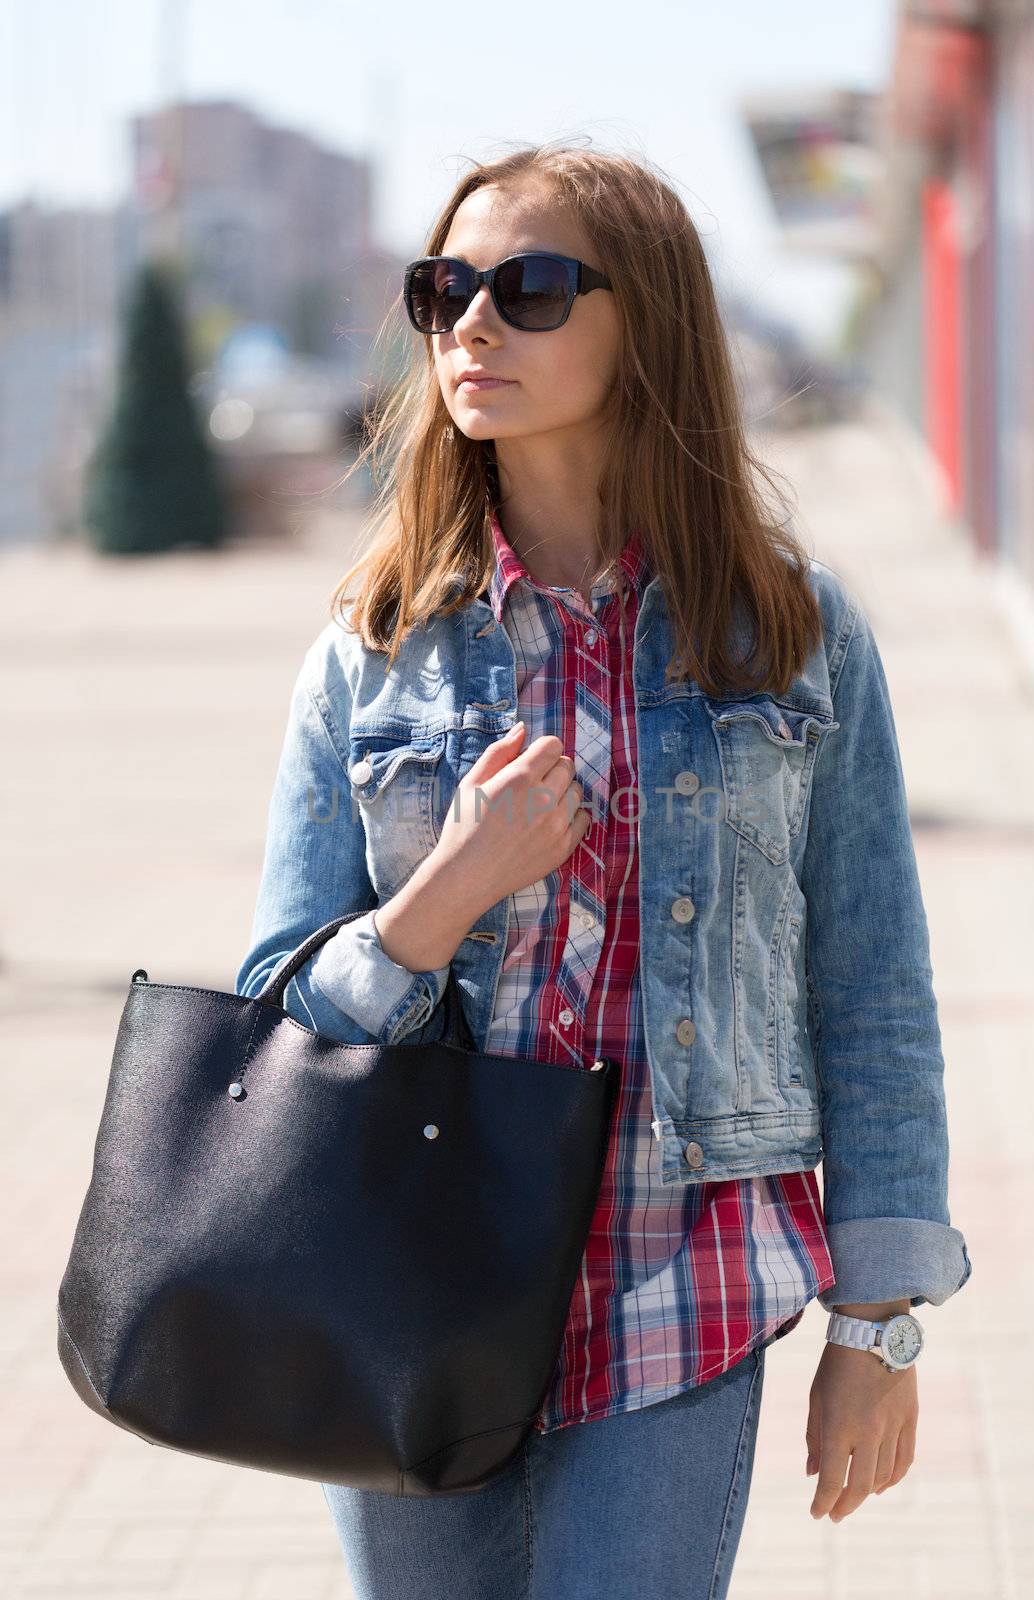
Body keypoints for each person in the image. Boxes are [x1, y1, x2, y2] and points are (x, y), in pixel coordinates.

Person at [235, 141, 972, 1599]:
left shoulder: (793, 640)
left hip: (675, 1286)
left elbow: (872, 987)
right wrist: (442, 897)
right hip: (405, 1290)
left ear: (651, 323)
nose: (471, 325)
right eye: (445, 289)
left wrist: (877, 1326)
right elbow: (275, 1015)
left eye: (530, 287)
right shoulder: (373, 652)